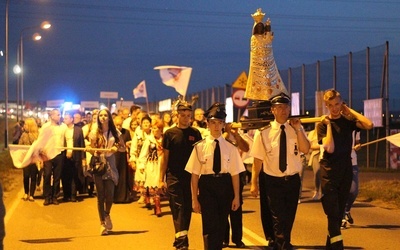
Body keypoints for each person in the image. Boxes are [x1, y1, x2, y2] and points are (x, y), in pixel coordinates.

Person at [250, 93, 310, 249]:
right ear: (272, 110)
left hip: (292, 180)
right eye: (279, 107)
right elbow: (257, 160)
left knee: (289, 215)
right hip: (273, 180)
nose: (283, 110)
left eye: (286, 107)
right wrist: (254, 183)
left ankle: (283, 241)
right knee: (277, 215)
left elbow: (305, 149)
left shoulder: (296, 129)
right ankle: (282, 244)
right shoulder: (263, 132)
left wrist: (298, 129)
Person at [317, 89, 373, 249]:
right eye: (330, 105)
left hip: (345, 171)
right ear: (326, 106)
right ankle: (337, 247)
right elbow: (330, 148)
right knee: (332, 212)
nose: (334, 108)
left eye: (337, 104)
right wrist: (328, 126)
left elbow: (369, 124)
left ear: (341, 103)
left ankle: (331, 246)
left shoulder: (348, 122)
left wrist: (349, 111)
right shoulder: (322, 124)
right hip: (329, 172)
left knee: (338, 213)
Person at [185, 102, 244, 250]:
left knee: (221, 223)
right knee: (209, 225)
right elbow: (194, 175)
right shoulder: (199, 147)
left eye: (219, 123)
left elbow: (235, 173)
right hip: (207, 186)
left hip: (225, 185)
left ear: (224, 124)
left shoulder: (230, 147)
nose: (216, 126)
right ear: (207, 124)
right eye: (213, 123)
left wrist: (236, 196)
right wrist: (194, 199)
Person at [159, 100, 202, 250]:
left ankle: (180, 237)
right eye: (183, 115)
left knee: (187, 208)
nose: (186, 118)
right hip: (173, 177)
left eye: (188, 115)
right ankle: (182, 242)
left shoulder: (195, 133)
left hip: (190, 177)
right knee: (178, 207)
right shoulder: (169, 134)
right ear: (177, 116)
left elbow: (199, 156)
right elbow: (165, 158)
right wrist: (161, 179)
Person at [87, 108, 121, 235]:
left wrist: (116, 148)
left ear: (109, 117)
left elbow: (122, 147)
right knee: (100, 195)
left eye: (105, 115)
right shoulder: (94, 132)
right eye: (100, 115)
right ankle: (102, 223)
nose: (102, 117)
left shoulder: (114, 131)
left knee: (110, 194)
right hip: (98, 163)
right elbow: (92, 148)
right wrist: (89, 149)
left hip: (110, 163)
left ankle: (107, 214)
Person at [222, 120, 250, 248]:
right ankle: (224, 238)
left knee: (236, 207)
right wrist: (227, 133)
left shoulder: (239, 135)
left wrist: (236, 135)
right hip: (223, 175)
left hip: (237, 173)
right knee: (223, 208)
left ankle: (238, 239)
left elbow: (246, 148)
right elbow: (219, 144)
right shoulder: (219, 135)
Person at [39, 109, 67, 206]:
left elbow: (67, 139)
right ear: (52, 116)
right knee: (47, 175)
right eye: (58, 114)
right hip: (48, 154)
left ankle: (55, 197)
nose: (60, 116)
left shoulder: (63, 127)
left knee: (57, 176)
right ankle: (47, 197)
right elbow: (41, 140)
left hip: (59, 154)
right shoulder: (45, 127)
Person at [137, 118, 164, 216]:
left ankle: (156, 202)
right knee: (154, 186)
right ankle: (157, 206)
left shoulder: (165, 139)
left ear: (161, 129)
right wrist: (141, 165)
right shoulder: (149, 140)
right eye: (153, 128)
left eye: (156, 128)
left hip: (162, 165)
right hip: (152, 165)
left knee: (160, 185)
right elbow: (144, 154)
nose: (154, 130)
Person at [61, 113, 86, 202]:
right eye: (64, 118)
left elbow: (82, 144)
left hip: (76, 155)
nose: (64, 120)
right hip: (64, 156)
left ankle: (73, 195)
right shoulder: (62, 129)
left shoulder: (78, 130)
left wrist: (83, 158)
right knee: (65, 176)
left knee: (74, 176)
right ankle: (66, 195)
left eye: (66, 118)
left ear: (72, 119)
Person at [130, 115, 152, 203]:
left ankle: (151, 196)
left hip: (151, 160)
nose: (146, 124)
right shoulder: (138, 135)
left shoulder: (153, 135)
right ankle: (143, 195)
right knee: (142, 179)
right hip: (140, 159)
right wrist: (133, 159)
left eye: (147, 122)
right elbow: (134, 147)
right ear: (141, 124)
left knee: (150, 179)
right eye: (144, 123)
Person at [341, 131, 361, 229]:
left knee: (353, 191)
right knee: (341, 191)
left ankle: (346, 210)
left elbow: (357, 142)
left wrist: (357, 146)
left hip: (352, 163)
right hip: (338, 163)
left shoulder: (354, 127)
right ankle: (341, 217)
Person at [18, 118, 39, 202]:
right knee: (26, 176)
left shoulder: (37, 135)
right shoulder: (23, 135)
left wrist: (30, 134)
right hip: (26, 158)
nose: (24, 126)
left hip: (34, 158)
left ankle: (32, 194)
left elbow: (36, 144)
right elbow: (20, 144)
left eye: (26, 124)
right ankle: (26, 192)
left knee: (33, 176)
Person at [113, 115, 132, 203]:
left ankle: (123, 197)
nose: (119, 127)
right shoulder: (111, 133)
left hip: (123, 157)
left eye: (120, 125)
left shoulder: (126, 132)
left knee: (123, 176)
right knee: (114, 176)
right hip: (113, 156)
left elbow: (129, 142)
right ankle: (114, 197)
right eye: (117, 125)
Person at [82, 109, 98, 197]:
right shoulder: (86, 128)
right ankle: (90, 189)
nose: (96, 119)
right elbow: (82, 138)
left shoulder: (103, 128)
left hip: (99, 151)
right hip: (89, 151)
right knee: (89, 170)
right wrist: (88, 144)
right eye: (94, 118)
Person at [307, 124, 322, 200]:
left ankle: (323, 192)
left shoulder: (326, 132)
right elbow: (309, 145)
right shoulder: (312, 133)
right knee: (317, 172)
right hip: (316, 154)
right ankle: (316, 190)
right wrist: (320, 147)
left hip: (326, 154)